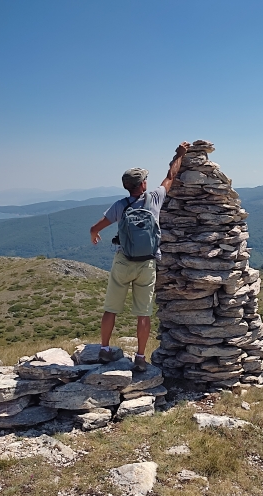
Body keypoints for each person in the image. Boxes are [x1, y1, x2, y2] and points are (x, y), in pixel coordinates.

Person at [90, 141, 190, 371]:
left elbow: (95, 227)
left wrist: (94, 235)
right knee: (143, 313)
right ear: (143, 184)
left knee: (111, 308)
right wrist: (180, 154)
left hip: (124, 261)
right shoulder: (154, 198)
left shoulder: (119, 205)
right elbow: (171, 176)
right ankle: (140, 357)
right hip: (147, 263)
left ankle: (104, 349)